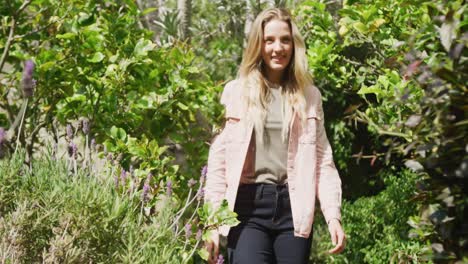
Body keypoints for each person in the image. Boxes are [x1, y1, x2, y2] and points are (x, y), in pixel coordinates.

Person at [204, 7, 346, 264]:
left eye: (285, 40)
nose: (277, 48)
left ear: (294, 45)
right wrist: (212, 224)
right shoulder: (235, 93)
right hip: (247, 209)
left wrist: (333, 216)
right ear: (259, 45)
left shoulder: (309, 96)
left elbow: (323, 162)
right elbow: (218, 163)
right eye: (269, 40)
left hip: (294, 209)